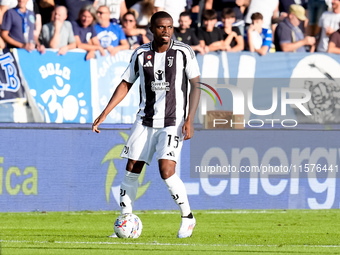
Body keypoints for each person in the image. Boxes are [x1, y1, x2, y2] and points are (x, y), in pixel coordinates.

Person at [92, 11, 200, 239]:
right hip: (145, 120)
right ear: (152, 28)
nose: (167, 31)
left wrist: (190, 119)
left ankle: (187, 217)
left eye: (170, 27)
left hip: (173, 121)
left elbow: (196, 85)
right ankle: (126, 219)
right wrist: (104, 113)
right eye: (161, 27)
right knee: (132, 168)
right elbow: (125, 83)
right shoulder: (141, 54)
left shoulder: (183, 52)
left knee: (166, 170)